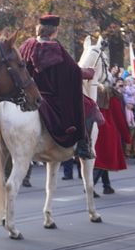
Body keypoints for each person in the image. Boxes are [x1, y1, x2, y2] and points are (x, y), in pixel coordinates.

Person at [19, 15, 95, 159]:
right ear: (54, 31)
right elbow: (73, 72)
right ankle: (82, 144)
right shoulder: (55, 48)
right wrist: (89, 72)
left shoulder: (27, 45)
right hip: (51, 97)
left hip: (29, 94)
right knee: (88, 105)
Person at [93, 81, 131, 195]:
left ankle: (107, 185)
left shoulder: (93, 97)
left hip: (94, 130)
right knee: (104, 160)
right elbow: (119, 119)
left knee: (101, 159)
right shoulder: (113, 98)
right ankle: (90, 185)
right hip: (109, 133)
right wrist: (127, 137)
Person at [123, 76, 135, 158]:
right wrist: (128, 105)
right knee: (130, 134)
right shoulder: (125, 90)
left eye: (131, 81)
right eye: (129, 81)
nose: (130, 83)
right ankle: (128, 151)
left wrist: (134, 106)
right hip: (128, 111)